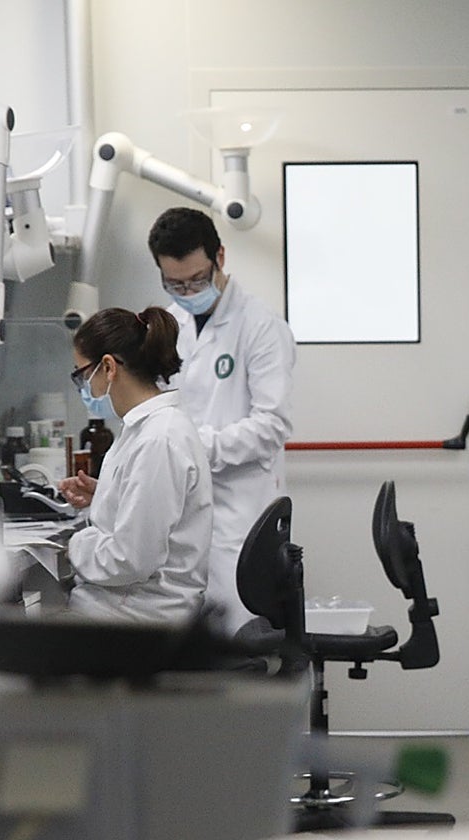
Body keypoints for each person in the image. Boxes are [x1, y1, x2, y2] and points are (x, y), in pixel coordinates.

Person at [147, 207, 297, 637]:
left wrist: (196, 448)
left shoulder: (261, 327)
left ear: (220, 258)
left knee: (239, 640)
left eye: (196, 279)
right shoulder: (168, 324)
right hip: (183, 513)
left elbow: (272, 425)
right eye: (174, 283)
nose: (187, 290)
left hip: (239, 518)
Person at [58, 306, 213, 624]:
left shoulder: (159, 439)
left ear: (108, 367)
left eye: (82, 375)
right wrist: (108, 494)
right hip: (125, 608)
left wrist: (73, 545)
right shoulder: (146, 427)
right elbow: (151, 511)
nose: (84, 388)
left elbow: (130, 560)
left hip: (136, 619)